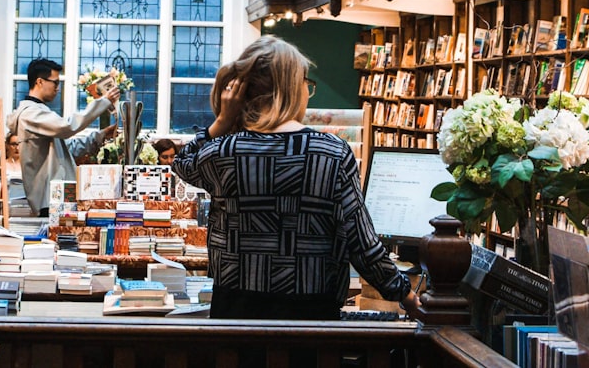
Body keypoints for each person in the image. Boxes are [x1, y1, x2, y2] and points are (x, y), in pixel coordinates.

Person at [173, 36, 419, 321]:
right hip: (311, 320)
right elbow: (361, 244)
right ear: (292, 88)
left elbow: (183, 162)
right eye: (306, 84)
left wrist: (223, 121)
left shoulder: (224, 152)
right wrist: (405, 295)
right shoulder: (332, 154)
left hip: (235, 319)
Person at [6, 58, 120, 216]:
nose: (58, 89)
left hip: (57, 195)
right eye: (56, 83)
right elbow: (68, 126)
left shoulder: (40, 111)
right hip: (48, 197)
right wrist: (103, 102)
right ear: (40, 81)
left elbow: (68, 148)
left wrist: (100, 136)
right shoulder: (30, 114)